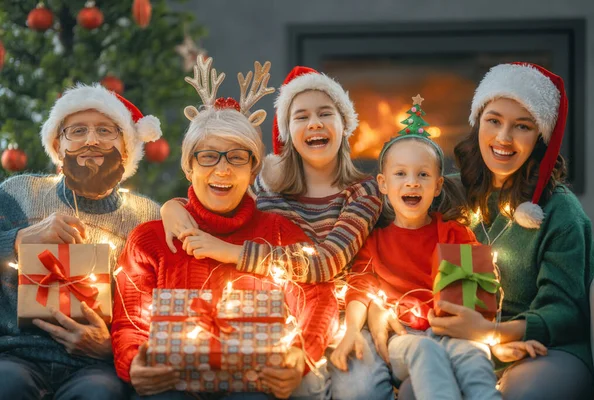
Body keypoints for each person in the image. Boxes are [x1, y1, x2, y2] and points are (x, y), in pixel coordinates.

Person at [111, 58, 338, 400]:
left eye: (236, 157)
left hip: (252, 385)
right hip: (172, 386)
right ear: (189, 166)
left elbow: (318, 299)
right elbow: (129, 321)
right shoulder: (150, 240)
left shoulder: (277, 233)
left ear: (253, 169)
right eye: (208, 157)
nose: (222, 170)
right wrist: (133, 363)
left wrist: (300, 355)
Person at [329, 105, 545, 400]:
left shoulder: (454, 234)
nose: (412, 182)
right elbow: (358, 290)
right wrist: (352, 330)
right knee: (423, 349)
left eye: (423, 175)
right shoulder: (375, 241)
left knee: (473, 357)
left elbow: (479, 289)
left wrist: (492, 340)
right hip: (403, 337)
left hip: (452, 331)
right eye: (400, 173)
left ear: (438, 185)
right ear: (383, 184)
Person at [413, 63, 594, 400]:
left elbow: (565, 312)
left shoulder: (560, 212)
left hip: (544, 348)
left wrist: (493, 332)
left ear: (540, 137)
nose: (503, 138)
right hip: (462, 345)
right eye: (493, 120)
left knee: (523, 393)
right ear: (477, 122)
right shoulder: (446, 195)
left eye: (522, 126)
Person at [0, 83, 163, 399]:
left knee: (100, 394)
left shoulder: (147, 218)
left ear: (127, 148)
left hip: (95, 364)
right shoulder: (18, 193)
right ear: (57, 147)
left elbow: (160, 307)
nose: (91, 140)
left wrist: (108, 346)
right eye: (77, 131)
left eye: (105, 130)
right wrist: (17, 240)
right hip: (15, 356)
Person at [160, 66, 382, 284]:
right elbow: (223, 204)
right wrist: (173, 206)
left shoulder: (362, 192)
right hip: (271, 304)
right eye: (301, 117)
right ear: (287, 133)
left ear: (344, 125)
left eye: (325, 113)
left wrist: (231, 252)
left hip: (337, 312)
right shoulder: (267, 186)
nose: (315, 123)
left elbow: (323, 264)